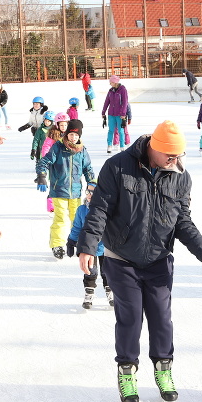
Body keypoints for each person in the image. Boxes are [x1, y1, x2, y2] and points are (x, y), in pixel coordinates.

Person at [76, 120, 202, 402]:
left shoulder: (180, 177)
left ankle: (164, 368)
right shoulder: (117, 166)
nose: (174, 161)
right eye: (170, 155)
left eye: (179, 156)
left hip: (158, 260)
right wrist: (88, 246)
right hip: (121, 258)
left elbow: (183, 222)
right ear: (154, 147)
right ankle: (127, 371)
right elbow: (100, 209)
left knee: (161, 319)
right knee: (129, 318)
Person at [36, 119, 94, 259]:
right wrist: (42, 175)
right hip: (58, 190)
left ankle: (79, 242)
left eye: (76, 135)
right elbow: (45, 160)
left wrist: (92, 183)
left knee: (77, 218)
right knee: (60, 218)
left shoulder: (82, 150)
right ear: (67, 134)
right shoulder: (58, 147)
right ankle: (57, 244)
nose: (73, 137)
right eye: (71, 134)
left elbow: (88, 169)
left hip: (75, 191)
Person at [66, 181, 113, 309]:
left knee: (108, 272)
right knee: (90, 271)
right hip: (87, 248)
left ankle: (111, 293)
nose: (89, 195)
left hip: (106, 248)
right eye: (88, 191)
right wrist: (71, 241)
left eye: (93, 192)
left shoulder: (107, 209)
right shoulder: (82, 210)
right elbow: (76, 227)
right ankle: (89, 294)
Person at [102, 75, 128, 154]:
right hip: (111, 114)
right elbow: (107, 102)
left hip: (120, 114)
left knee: (121, 131)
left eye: (111, 82)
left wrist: (123, 113)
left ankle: (122, 146)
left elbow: (125, 102)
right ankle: (109, 145)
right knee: (110, 130)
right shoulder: (110, 91)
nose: (110, 84)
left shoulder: (122, 90)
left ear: (115, 82)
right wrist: (103, 112)